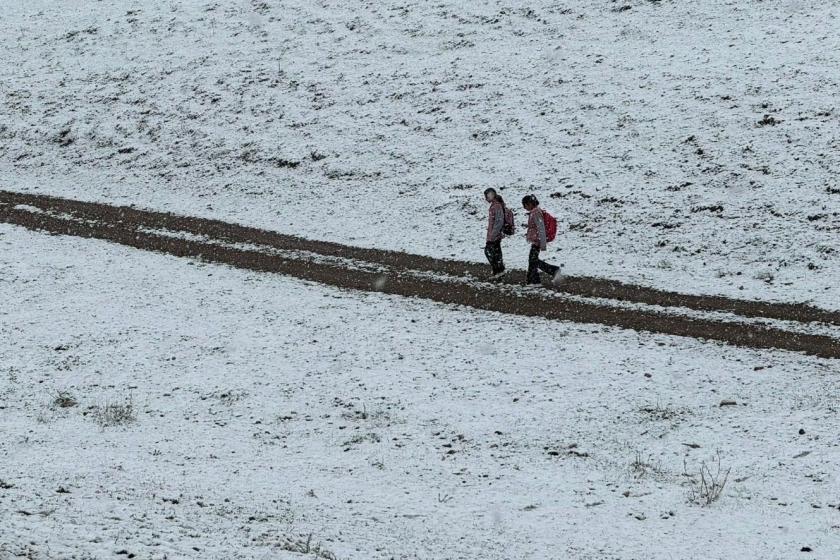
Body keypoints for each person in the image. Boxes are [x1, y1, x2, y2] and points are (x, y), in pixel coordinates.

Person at [522, 194, 560, 285]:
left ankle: (552, 271)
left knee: (533, 260)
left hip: (537, 241)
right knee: (533, 260)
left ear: (530, 203)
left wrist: (542, 243)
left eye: (525, 205)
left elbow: (541, 228)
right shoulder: (535, 212)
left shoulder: (536, 212)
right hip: (536, 240)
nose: (524, 207)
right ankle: (534, 280)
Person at [483, 188, 507, 279]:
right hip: (495, 234)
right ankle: (499, 271)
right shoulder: (496, 205)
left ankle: (498, 270)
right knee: (496, 253)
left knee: (489, 251)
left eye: (486, 196)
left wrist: (493, 235)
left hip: (494, 235)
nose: (486, 199)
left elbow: (498, 222)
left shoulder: (496, 206)